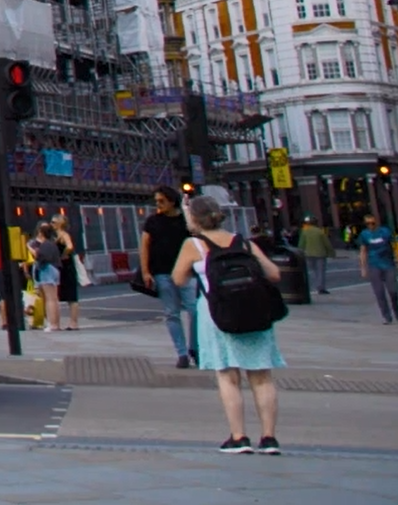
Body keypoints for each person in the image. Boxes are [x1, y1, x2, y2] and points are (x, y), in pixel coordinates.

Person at [173, 193, 285, 454]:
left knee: (227, 375)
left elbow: (178, 279)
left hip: (217, 313)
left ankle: (239, 436)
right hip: (255, 312)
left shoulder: (195, 245)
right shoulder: (243, 243)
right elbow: (274, 273)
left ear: (194, 218)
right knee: (261, 376)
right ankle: (269, 438)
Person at [143, 189, 198, 368]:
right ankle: (182, 353)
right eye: (157, 201)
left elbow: (196, 233)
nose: (158, 204)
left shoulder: (184, 221)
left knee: (195, 310)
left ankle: (195, 347)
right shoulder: (152, 221)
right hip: (162, 272)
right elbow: (144, 246)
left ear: (172, 202)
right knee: (171, 313)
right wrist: (145, 271)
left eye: (162, 201)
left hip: (186, 271)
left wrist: (187, 210)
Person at [358, 212, 395, 325]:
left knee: (393, 291)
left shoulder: (385, 232)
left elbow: (394, 245)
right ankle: (386, 316)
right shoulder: (364, 234)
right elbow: (363, 251)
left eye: (372, 223)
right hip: (374, 265)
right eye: (368, 223)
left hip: (388, 264)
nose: (370, 225)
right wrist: (363, 268)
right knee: (379, 292)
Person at [29, 222, 64, 332]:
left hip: (47, 270)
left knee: (50, 299)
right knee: (54, 298)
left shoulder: (45, 245)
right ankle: (56, 324)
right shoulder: (52, 243)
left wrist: (28, 247)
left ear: (41, 232)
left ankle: (52, 324)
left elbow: (38, 256)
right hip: (54, 269)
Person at [53, 214, 82, 332]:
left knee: (71, 296)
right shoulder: (55, 236)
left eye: (54, 222)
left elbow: (70, 246)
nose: (52, 224)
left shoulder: (64, 235)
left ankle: (73, 323)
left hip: (66, 267)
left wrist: (64, 254)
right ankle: (58, 322)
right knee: (60, 295)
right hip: (60, 267)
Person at [297, 216, 334, 295]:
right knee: (320, 272)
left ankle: (308, 287)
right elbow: (327, 243)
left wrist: (300, 252)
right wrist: (331, 252)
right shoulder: (320, 231)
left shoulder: (305, 231)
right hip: (320, 254)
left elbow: (301, 244)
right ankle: (321, 288)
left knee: (310, 271)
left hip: (308, 254)